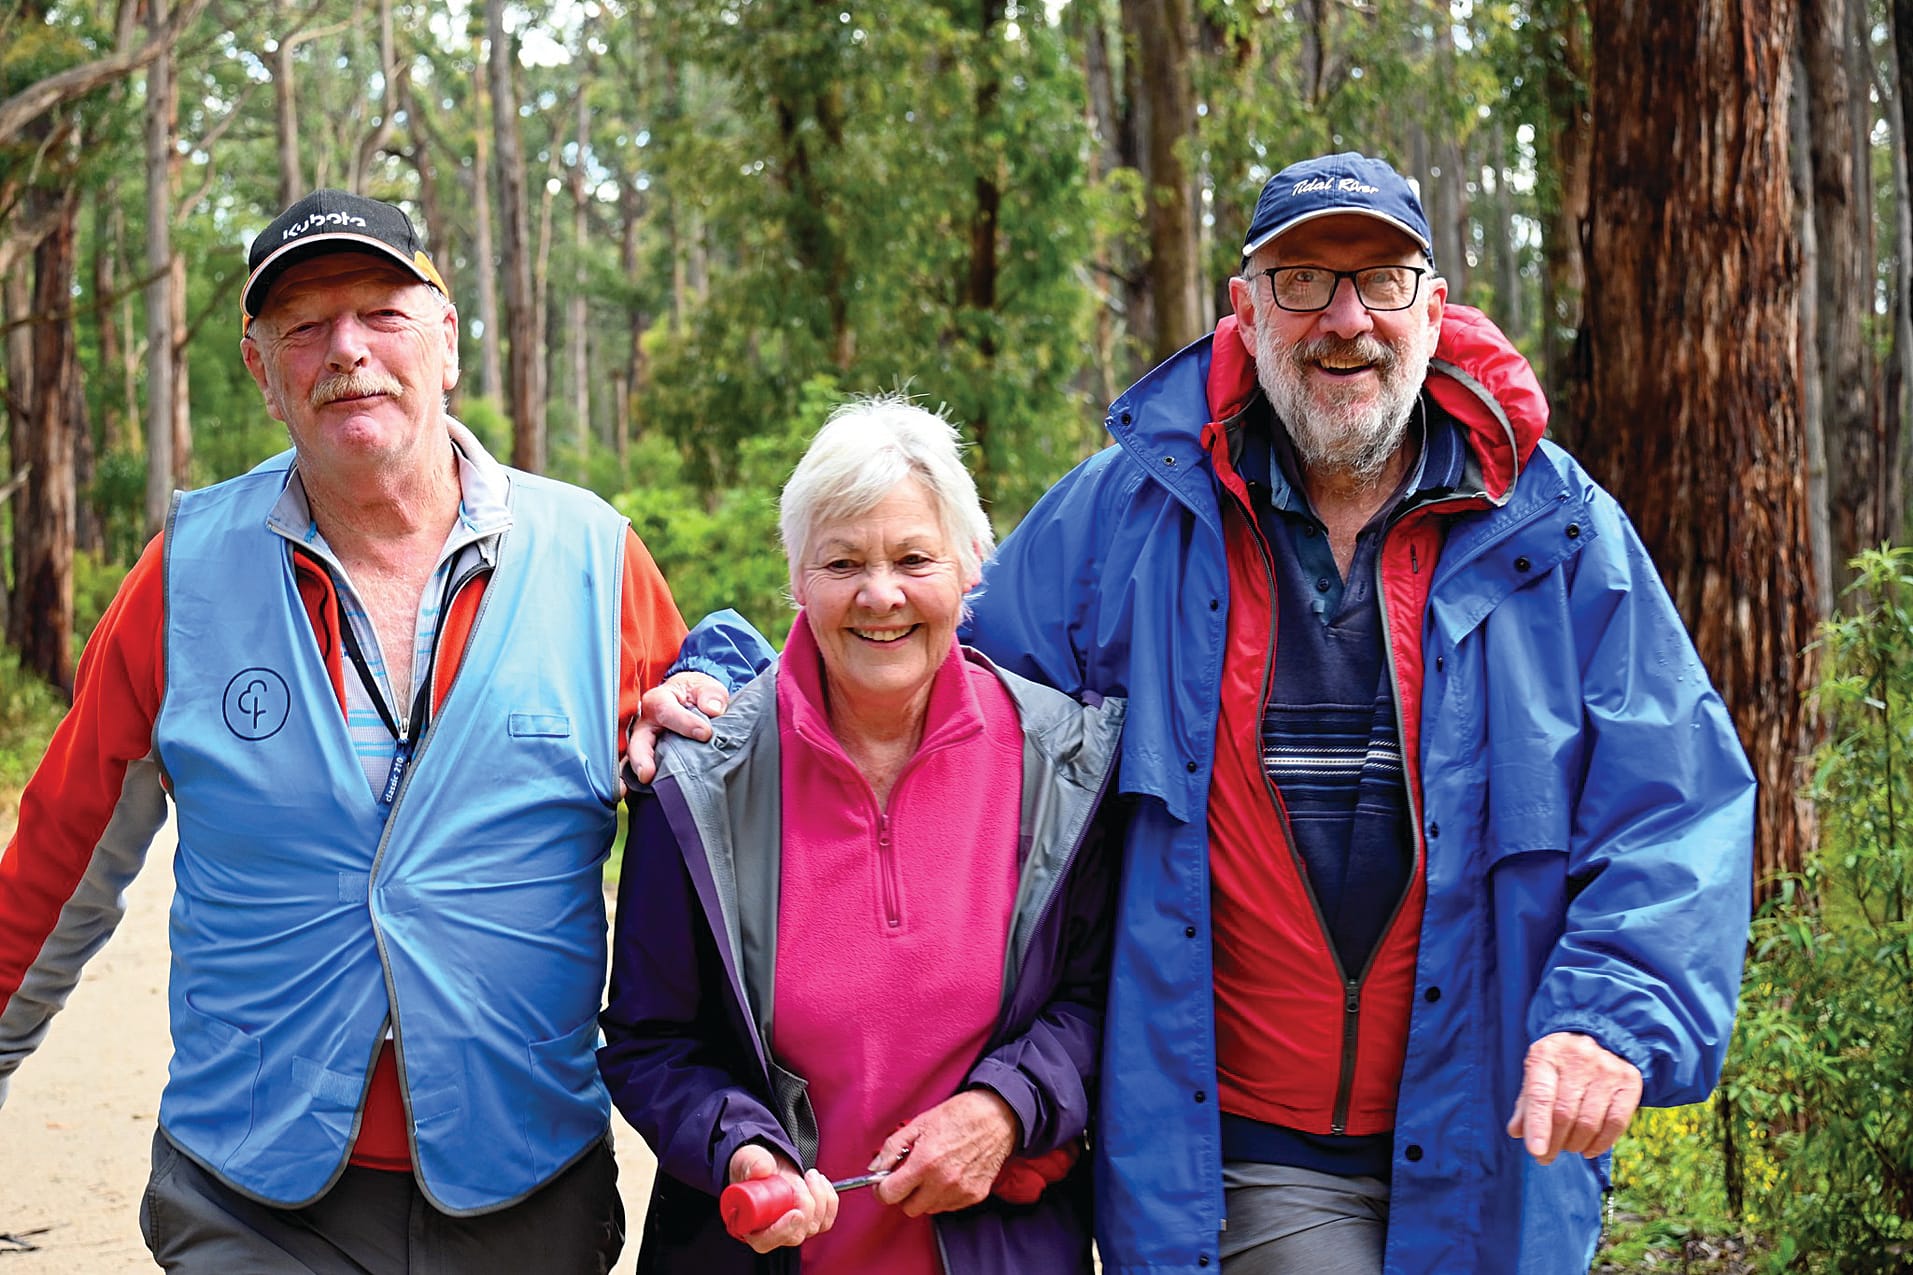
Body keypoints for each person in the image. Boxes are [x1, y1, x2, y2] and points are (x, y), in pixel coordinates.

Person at [953, 153, 1757, 1273]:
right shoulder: (1130, 514)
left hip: (1495, 1152)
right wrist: (724, 683)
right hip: (1236, 1151)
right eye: (1300, 282)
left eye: (1380, 281)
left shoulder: (1554, 528)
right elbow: (936, 695)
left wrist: (1606, 1016)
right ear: (1242, 310)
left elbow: (1675, 804)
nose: (1344, 322)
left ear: (1431, 307)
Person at [0, 189, 761, 1274]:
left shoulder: (596, 560)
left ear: (444, 343)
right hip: (250, 1193)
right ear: (263, 375)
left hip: (525, 1183)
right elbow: (62, 851)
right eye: (303, 327)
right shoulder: (183, 575)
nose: (345, 351)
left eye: (380, 314)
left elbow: (719, 860)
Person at [600, 397, 1123, 1274]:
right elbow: (651, 1041)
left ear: (968, 569)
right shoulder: (697, 777)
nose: (879, 594)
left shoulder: (1062, 764)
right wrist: (738, 1146)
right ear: (798, 579)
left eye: (913, 558)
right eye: (842, 561)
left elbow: (1101, 996)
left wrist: (1006, 1108)